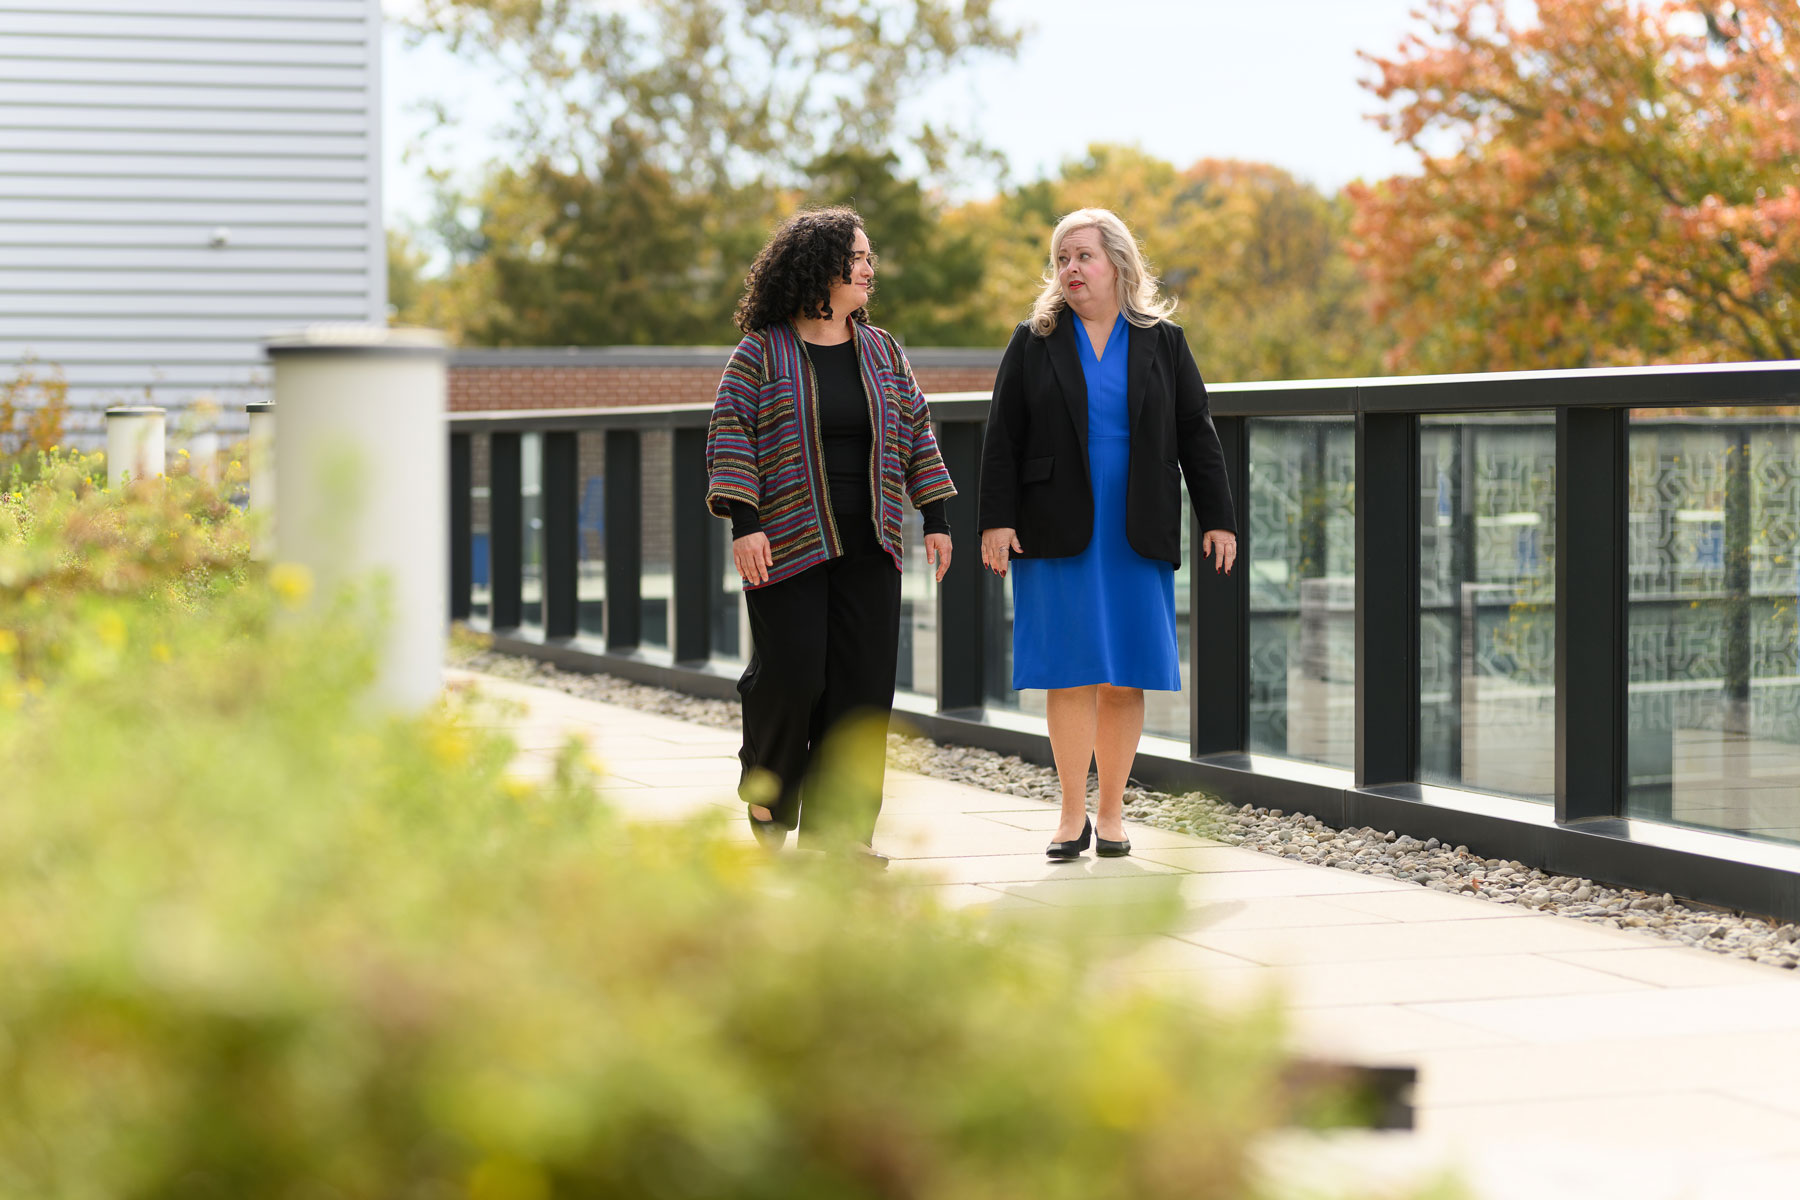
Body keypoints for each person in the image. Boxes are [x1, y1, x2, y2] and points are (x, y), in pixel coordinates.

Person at [978, 208, 1237, 860]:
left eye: (1083, 256)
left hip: (1135, 530)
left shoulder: (1164, 341)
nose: (1070, 269)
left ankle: (1113, 813)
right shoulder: (1032, 340)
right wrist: (996, 520)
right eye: (1062, 258)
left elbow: (1197, 435)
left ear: (1118, 264)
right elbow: (1001, 439)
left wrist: (1220, 517)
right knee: (1068, 672)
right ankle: (1071, 815)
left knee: (1124, 676)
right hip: (1053, 529)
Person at [705, 206, 956, 863]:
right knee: (791, 677)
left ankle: (840, 834)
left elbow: (917, 428)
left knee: (863, 690)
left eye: (872, 257)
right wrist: (745, 522)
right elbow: (732, 431)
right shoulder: (761, 351)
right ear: (820, 266)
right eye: (859, 257)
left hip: (870, 543)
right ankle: (767, 786)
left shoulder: (882, 350)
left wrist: (936, 514)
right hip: (785, 542)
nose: (871, 269)